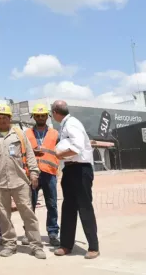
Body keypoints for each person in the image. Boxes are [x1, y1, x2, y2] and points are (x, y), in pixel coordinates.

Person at [0, 104, 46, 259]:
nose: (2, 121)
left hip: (20, 181)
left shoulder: (19, 134)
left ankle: (35, 245)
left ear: (10, 119)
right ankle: (10, 244)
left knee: (28, 213)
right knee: (3, 215)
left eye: (5, 118)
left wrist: (34, 174)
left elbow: (29, 154)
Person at [51, 100, 99, 259]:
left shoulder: (72, 124)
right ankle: (66, 245)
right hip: (70, 169)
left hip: (81, 169)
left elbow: (77, 147)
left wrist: (59, 155)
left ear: (56, 112)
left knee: (85, 207)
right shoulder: (65, 125)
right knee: (68, 208)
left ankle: (93, 247)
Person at [23, 104, 60, 246]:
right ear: (33, 117)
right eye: (37, 116)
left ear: (47, 116)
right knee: (29, 205)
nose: (40, 118)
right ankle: (29, 232)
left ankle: (52, 233)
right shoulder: (26, 134)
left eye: (42, 115)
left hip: (49, 173)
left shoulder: (55, 134)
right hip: (31, 173)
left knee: (52, 204)